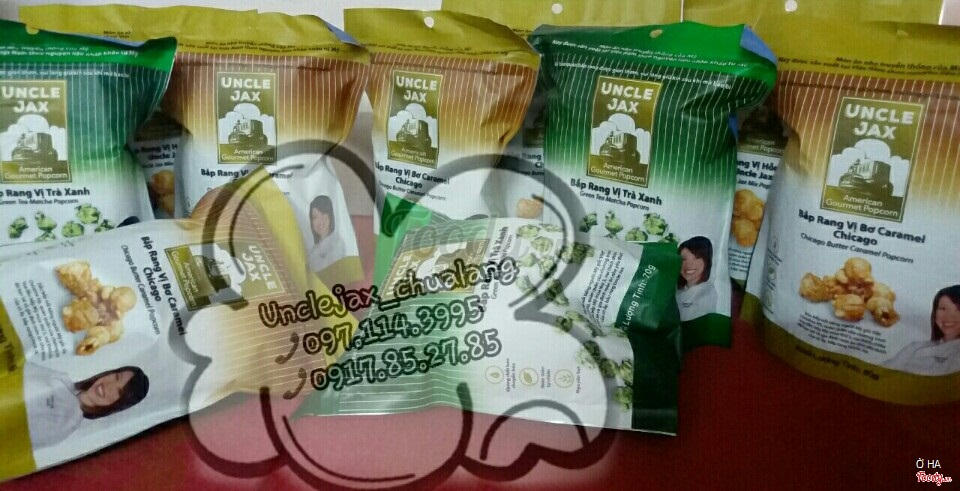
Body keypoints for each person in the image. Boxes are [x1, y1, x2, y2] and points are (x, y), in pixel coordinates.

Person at [22, 364, 150, 448]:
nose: (109, 386)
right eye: (117, 377)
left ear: (117, 405)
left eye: (119, 392)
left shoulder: (65, 424)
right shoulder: (62, 379)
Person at [884, 285, 960, 376]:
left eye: (958, 310)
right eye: (943, 308)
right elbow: (885, 371)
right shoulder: (915, 348)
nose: (949, 316)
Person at [675, 236, 718, 322]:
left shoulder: (706, 294)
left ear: (706, 261)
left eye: (696, 258)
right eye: (684, 259)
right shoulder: (678, 288)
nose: (688, 265)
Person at [307, 195, 347, 273]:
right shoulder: (312, 252)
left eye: (323, 214)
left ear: (330, 216)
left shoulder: (337, 243)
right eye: (315, 217)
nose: (320, 221)